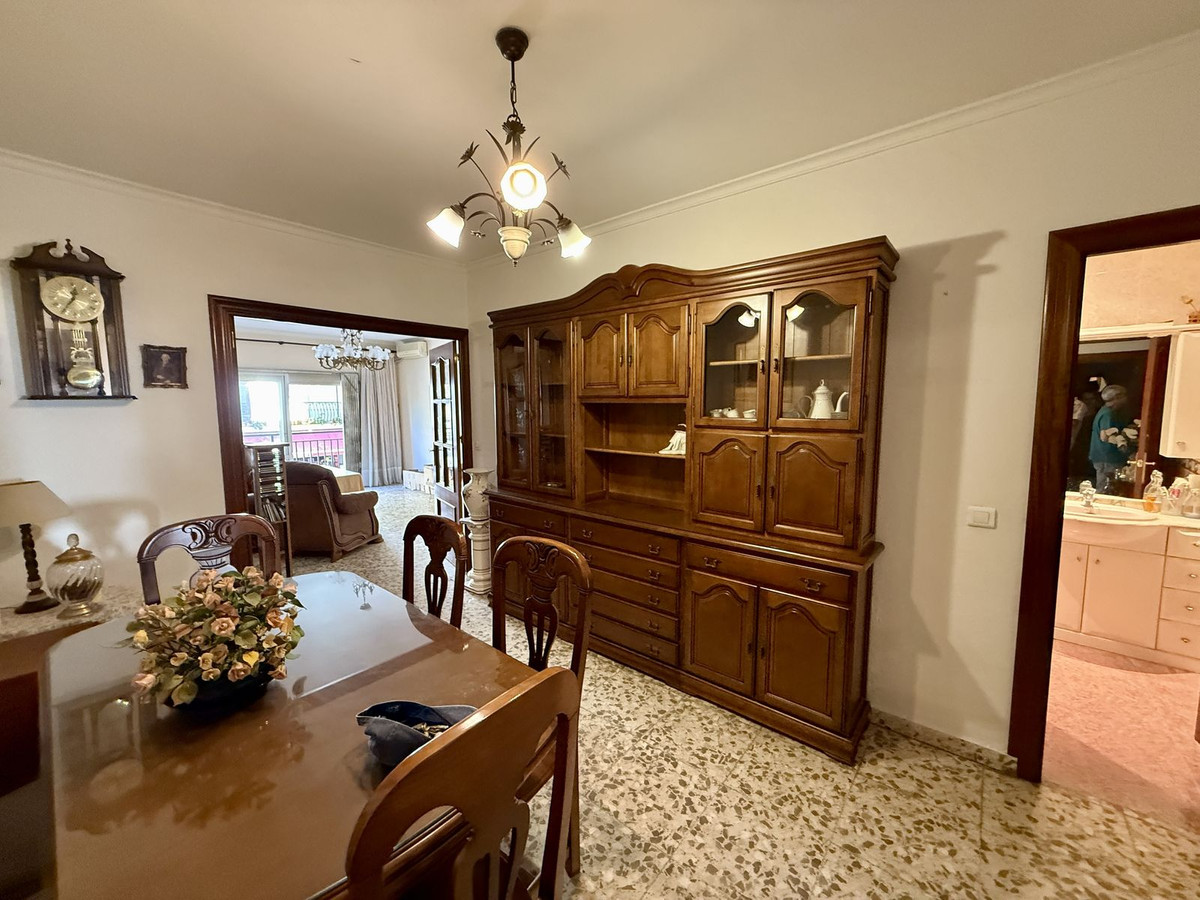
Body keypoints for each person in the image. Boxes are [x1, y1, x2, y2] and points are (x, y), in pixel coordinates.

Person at [1088, 384, 1133, 494]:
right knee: (1104, 490)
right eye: (1124, 396)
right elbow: (1105, 436)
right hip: (1106, 458)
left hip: (1106, 458)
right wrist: (1123, 446)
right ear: (1117, 397)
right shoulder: (1107, 414)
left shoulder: (1108, 412)